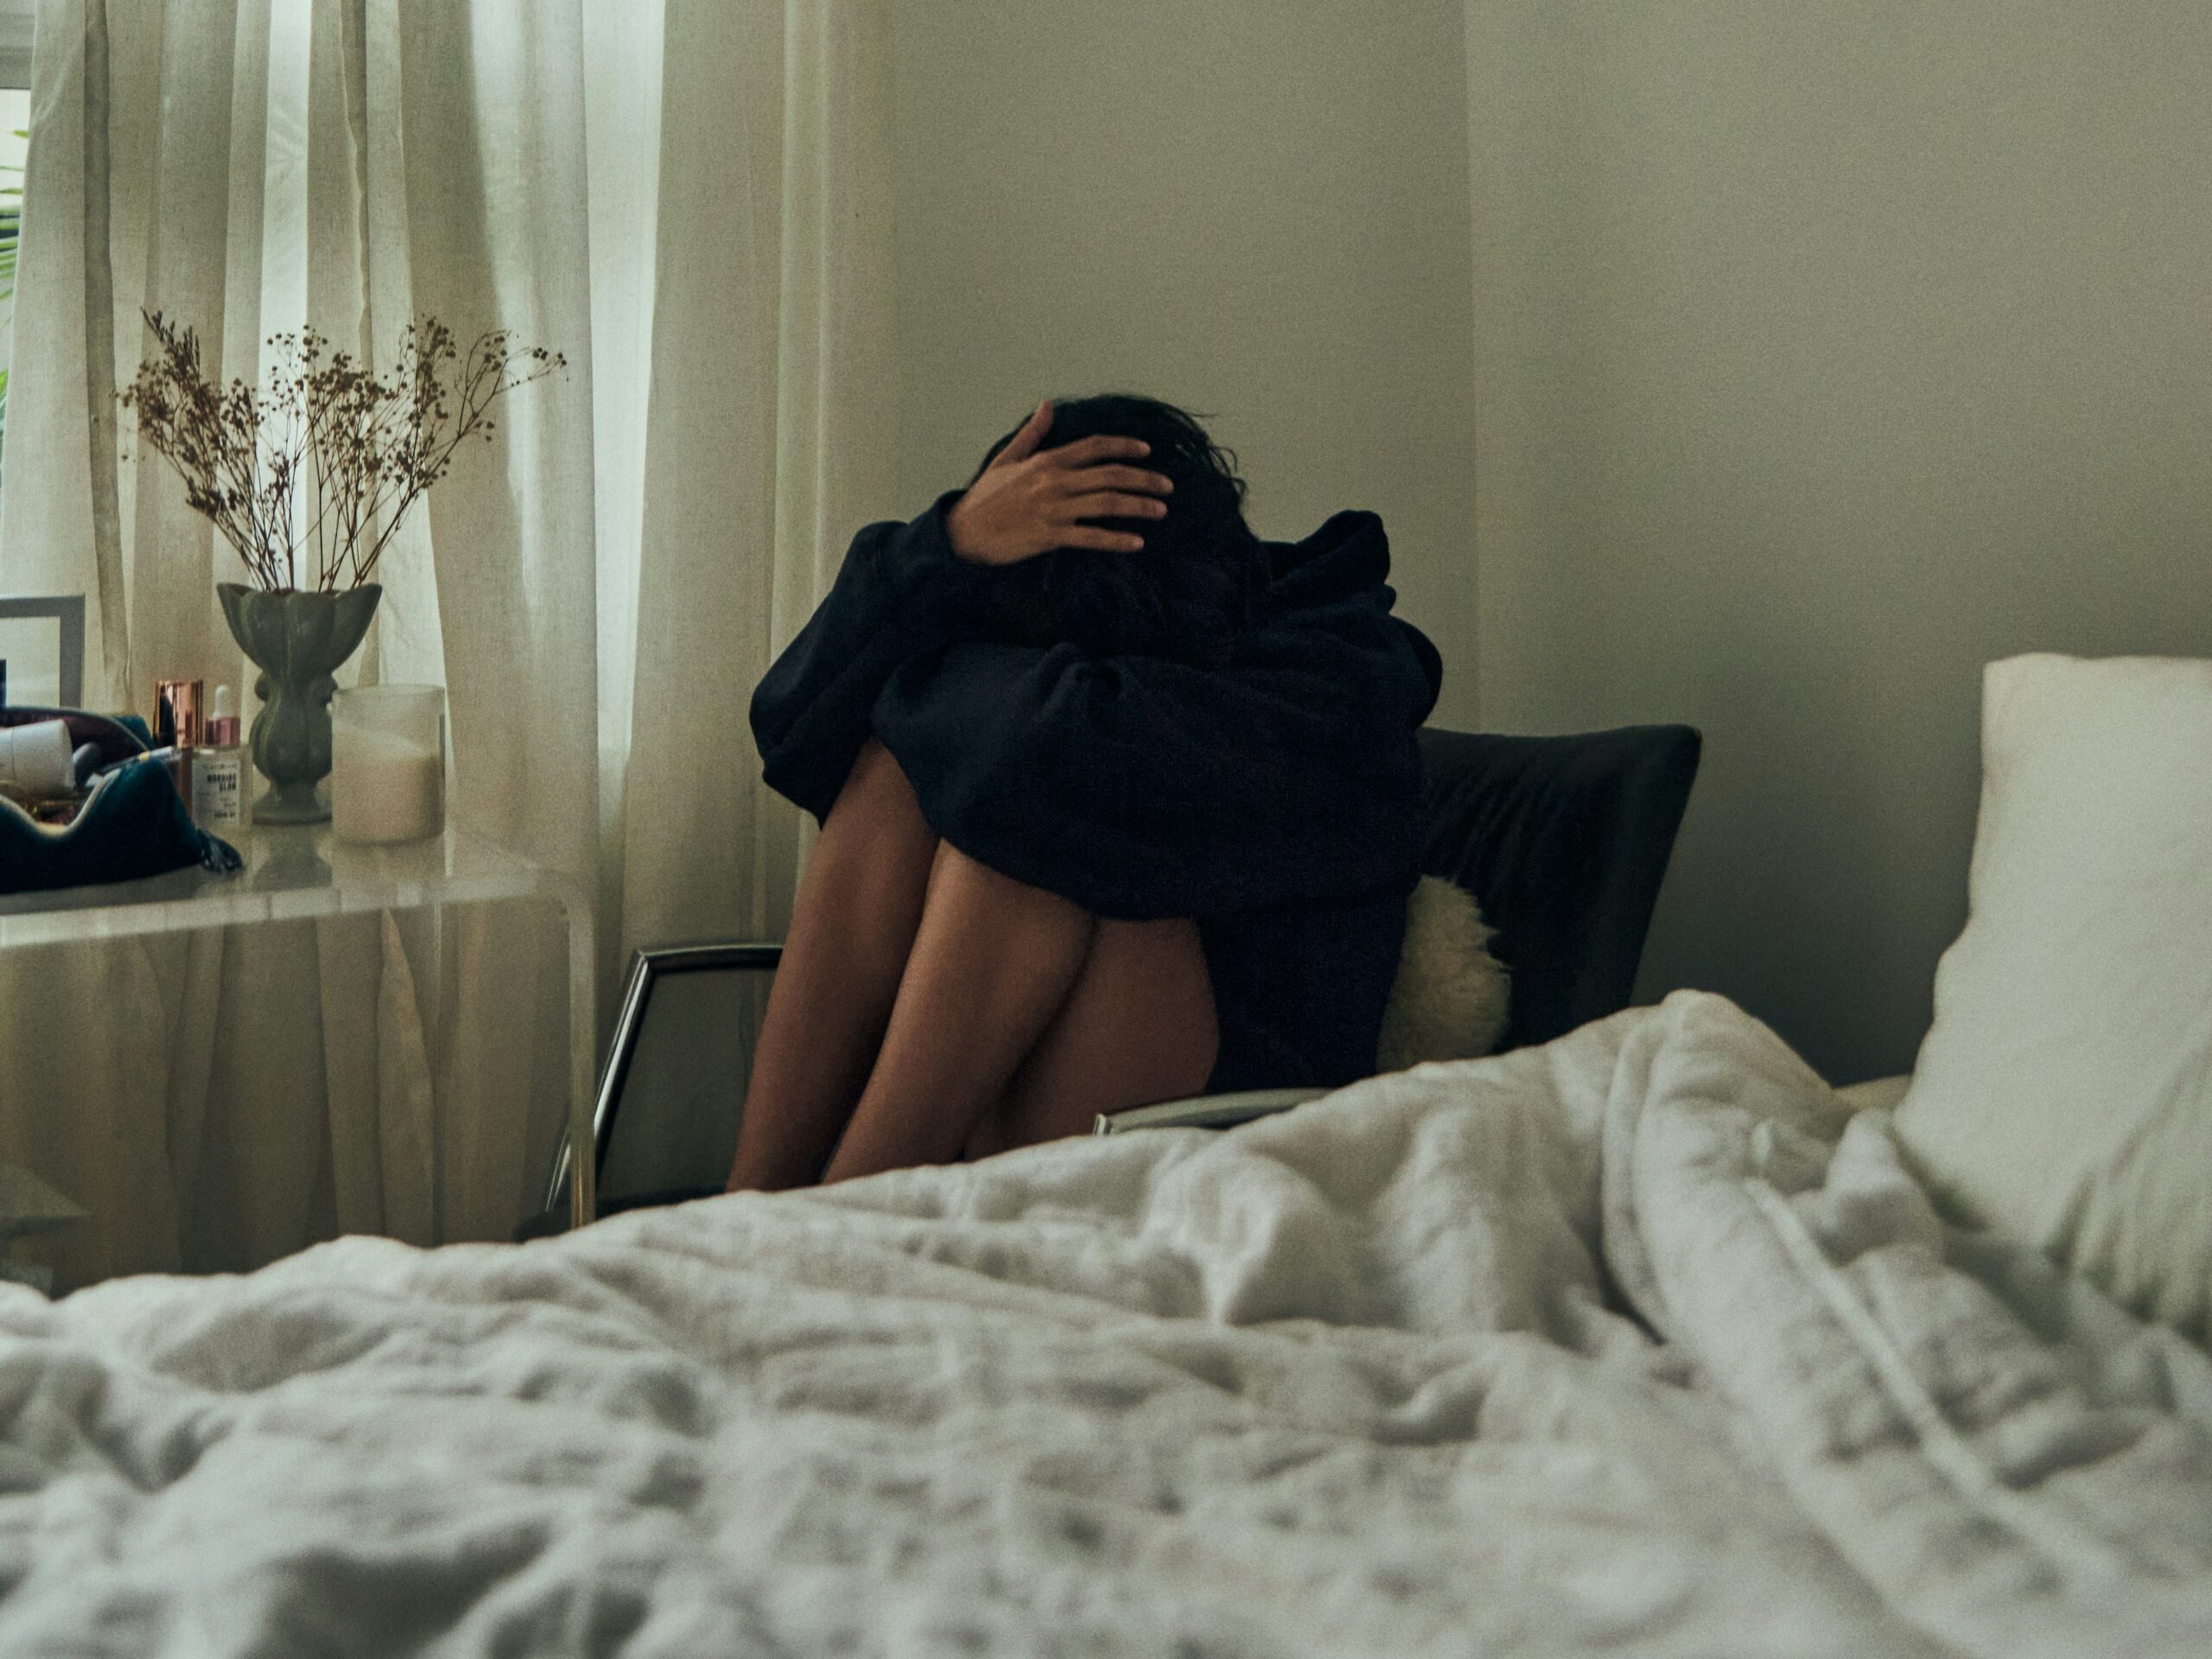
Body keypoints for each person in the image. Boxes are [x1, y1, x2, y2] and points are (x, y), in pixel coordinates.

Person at [726, 393, 1442, 1192]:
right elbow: (788, 722)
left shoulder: (1335, 676)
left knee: (1030, 832)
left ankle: (840, 1213)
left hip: (1235, 1123)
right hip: (1027, 1087)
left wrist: (929, 665)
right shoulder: (1054, 698)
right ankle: (742, 1211)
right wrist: (947, 547)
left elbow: (1053, 750)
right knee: (892, 775)